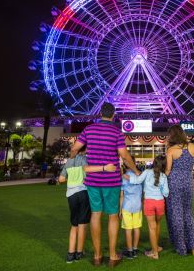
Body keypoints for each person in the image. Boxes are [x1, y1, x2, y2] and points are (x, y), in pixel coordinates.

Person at [70, 102, 140, 267]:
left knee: (95, 214)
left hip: (93, 180)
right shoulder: (116, 132)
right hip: (111, 181)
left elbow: (75, 148)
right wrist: (135, 170)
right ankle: (113, 256)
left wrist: (73, 155)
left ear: (100, 113)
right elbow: (124, 155)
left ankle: (97, 255)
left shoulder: (89, 130)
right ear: (113, 114)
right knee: (112, 216)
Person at [125, 155, 169, 260]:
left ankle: (154, 253)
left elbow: (137, 181)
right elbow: (166, 193)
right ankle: (156, 248)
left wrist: (126, 177)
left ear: (154, 162)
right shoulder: (163, 176)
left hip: (149, 202)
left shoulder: (147, 172)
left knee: (152, 227)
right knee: (157, 225)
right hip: (160, 203)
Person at [165, 125, 194, 256]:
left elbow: (168, 170)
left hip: (173, 183)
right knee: (188, 213)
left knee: (176, 214)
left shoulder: (171, 150)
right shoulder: (193, 147)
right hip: (188, 182)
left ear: (172, 135)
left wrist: (159, 180)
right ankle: (192, 245)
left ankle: (181, 247)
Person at [58, 146, 91, 263]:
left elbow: (61, 179)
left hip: (71, 195)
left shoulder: (69, 161)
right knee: (82, 224)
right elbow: (89, 174)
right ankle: (79, 252)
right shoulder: (86, 159)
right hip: (83, 192)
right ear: (85, 149)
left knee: (74, 225)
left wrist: (71, 180)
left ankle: (70, 254)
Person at [119, 158, 142, 259]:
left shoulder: (123, 177)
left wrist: (120, 210)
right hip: (137, 205)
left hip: (127, 205)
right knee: (136, 228)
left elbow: (122, 195)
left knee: (128, 229)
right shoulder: (140, 175)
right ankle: (135, 249)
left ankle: (130, 251)